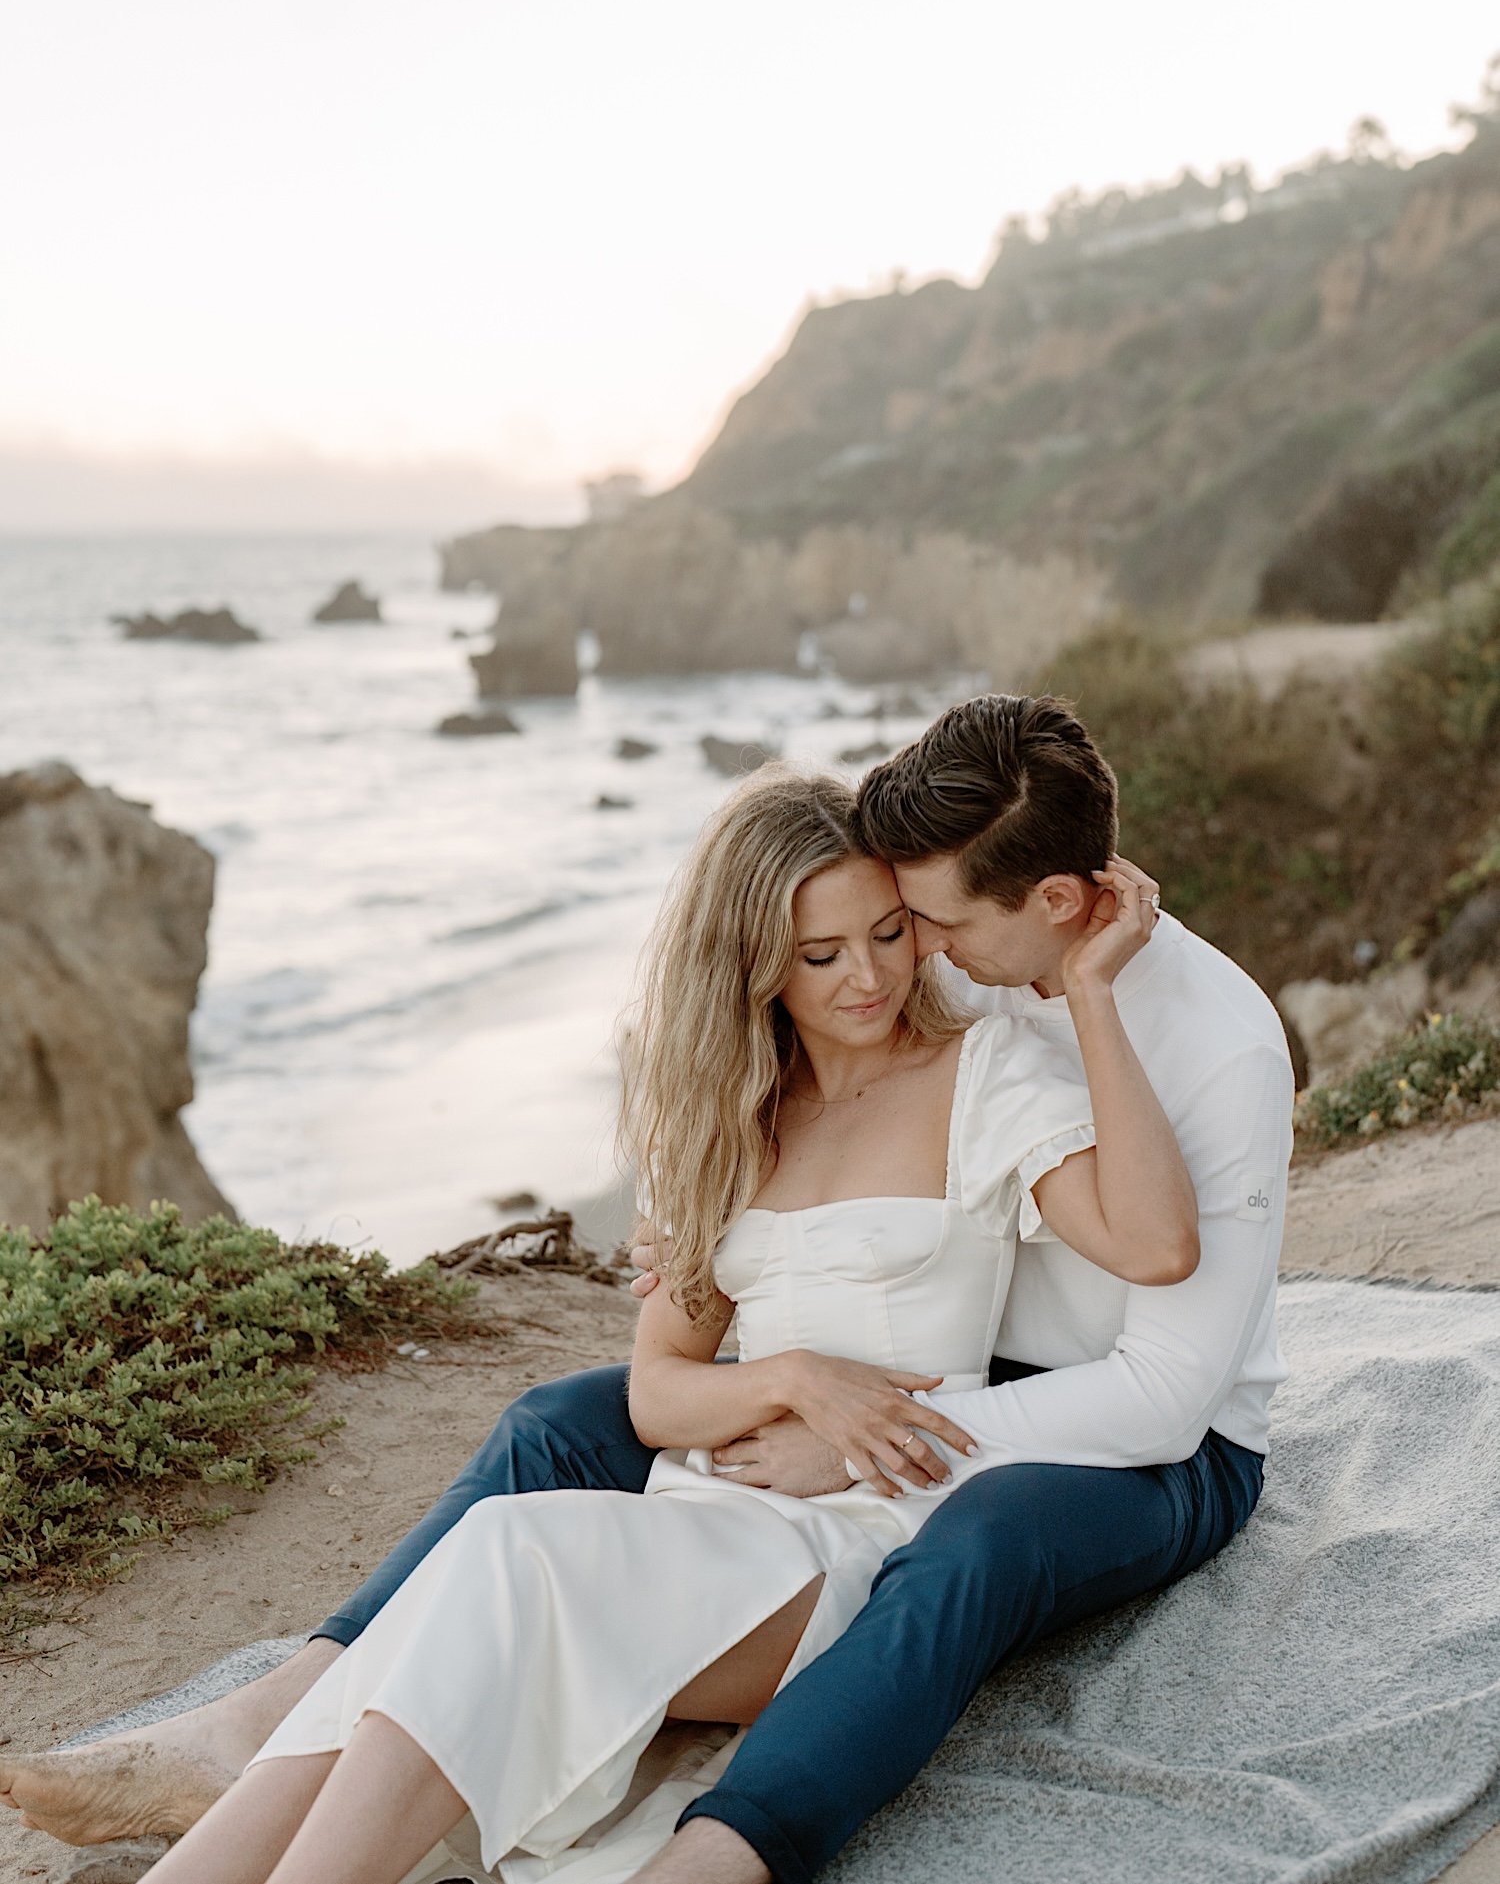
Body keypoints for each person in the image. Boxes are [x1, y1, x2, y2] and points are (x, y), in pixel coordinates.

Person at [2, 695, 1290, 1884]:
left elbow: (1162, 1363)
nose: (898, 968)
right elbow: (686, 1352)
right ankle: (246, 1757)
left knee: (966, 1543)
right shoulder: (917, 984)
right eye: (847, 941)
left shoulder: (1160, 1041)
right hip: (772, 1467)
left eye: (917, 930)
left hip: (1113, 1443)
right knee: (540, 1467)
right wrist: (777, 1353)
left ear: (1060, 905)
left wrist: (855, 1437)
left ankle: (716, 1857)